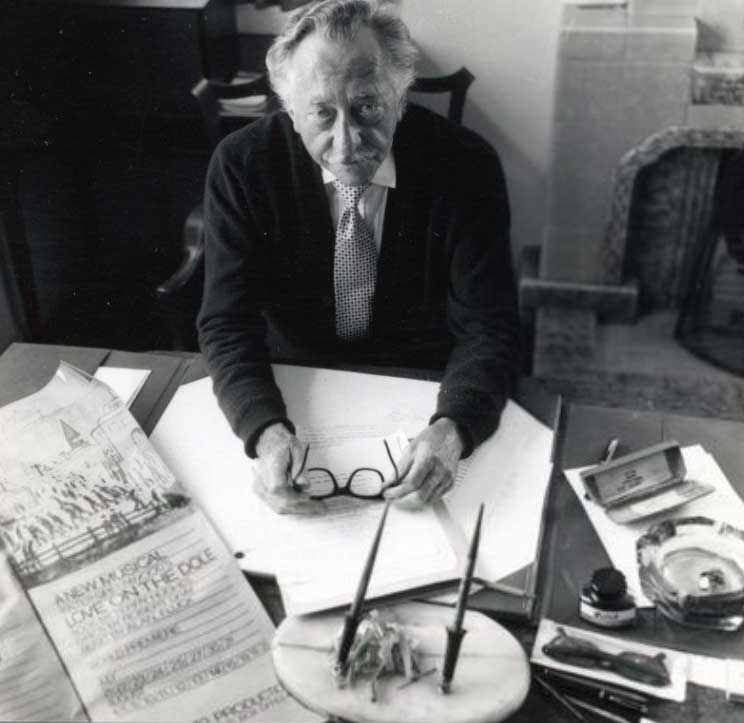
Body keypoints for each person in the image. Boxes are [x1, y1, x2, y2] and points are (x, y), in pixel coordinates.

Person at [198, 0, 521, 513]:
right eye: (322, 114)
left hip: (422, 384)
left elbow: (489, 325)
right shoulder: (242, 165)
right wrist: (263, 430)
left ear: (400, 96)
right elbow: (226, 321)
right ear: (288, 108)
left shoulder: (467, 165)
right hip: (296, 382)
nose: (346, 144)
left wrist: (454, 425)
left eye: (367, 107)